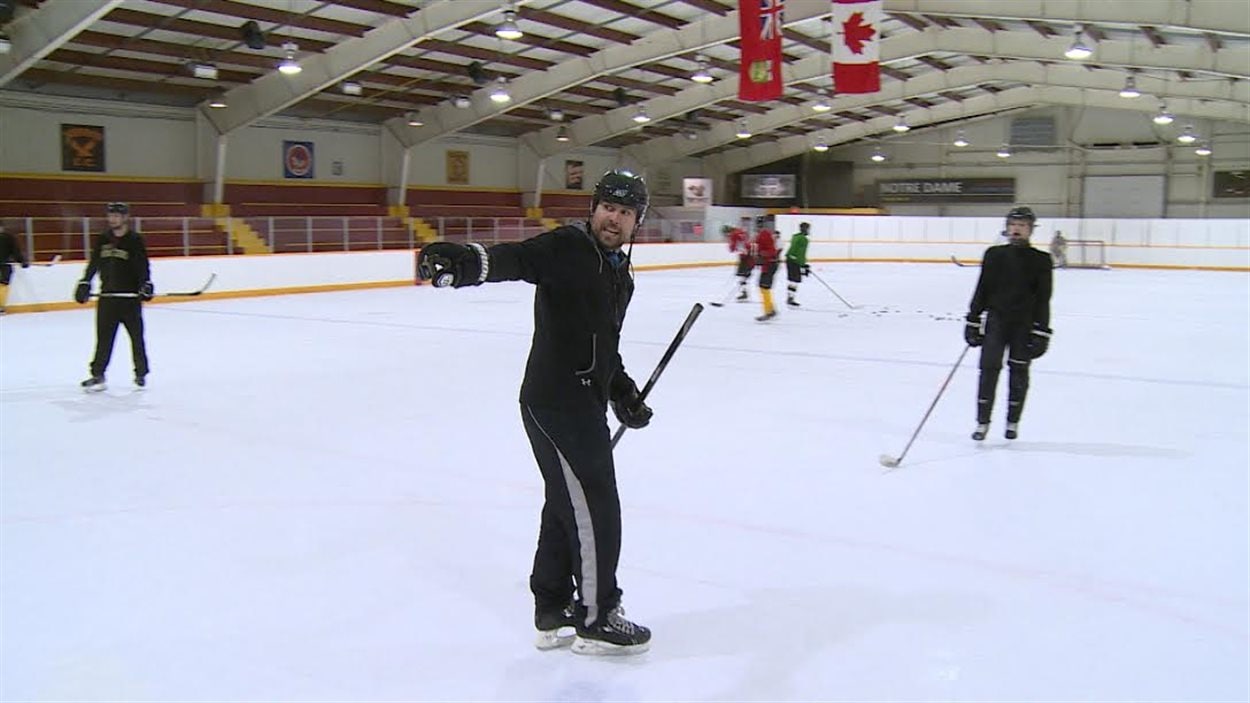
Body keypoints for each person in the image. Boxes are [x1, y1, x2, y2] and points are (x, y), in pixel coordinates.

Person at [415, 170, 654, 656]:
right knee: (596, 506)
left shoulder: (619, 276)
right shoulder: (568, 247)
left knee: (567, 503)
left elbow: (603, 348)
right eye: (609, 207)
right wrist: (463, 263)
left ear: (636, 223)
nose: (614, 218)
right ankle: (596, 613)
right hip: (554, 400)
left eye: (626, 213)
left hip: (584, 403)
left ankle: (553, 605)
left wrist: (622, 393)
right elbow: (514, 259)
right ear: (594, 207)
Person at [964, 206, 1053, 440]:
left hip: (1023, 326)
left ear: (1030, 230)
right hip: (996, 322)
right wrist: (972, 320)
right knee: (988, 370)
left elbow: (1044, 298)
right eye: (1013, 225)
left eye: (1022, 226)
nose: (1016, 230)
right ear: (1006, 227)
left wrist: (1042, 332)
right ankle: (982, 422)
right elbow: (982, 288)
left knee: (1019, 372)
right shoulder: (994, 254)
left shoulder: (1041, 260)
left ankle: (1012, 422)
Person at [74, 202, 154, 391]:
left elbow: (143, 265)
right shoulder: (103, 239)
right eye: (110, 216)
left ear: (125, 217)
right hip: (107, 298)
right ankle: (98, 374)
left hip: (129, 300)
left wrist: (146, 283)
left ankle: (140, 373)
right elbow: (94, 263)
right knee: (103, 338)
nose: (113, 219)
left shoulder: (134, 240)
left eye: (117, 216)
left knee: (136, 337)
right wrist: (85, 282)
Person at [753, 216, 781, 321]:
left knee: (764, 287)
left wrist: (761, 256)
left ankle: (769, 311)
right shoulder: (763, 234)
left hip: (770, 265)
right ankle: (770, 309)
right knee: (764, 287)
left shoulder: (763, 235)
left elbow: (771, 251)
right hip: (769, 264)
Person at [0, 222, 30, 314]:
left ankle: (1, 307)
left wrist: (21, 261)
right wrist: (22, 261)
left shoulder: (9, 238)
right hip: (5, 265)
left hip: (5, 265)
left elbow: (16, 251)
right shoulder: (9, 237)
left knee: (3, 285)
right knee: (3, 285)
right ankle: (1, 307)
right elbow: (16, 251)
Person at [783, 221, 811, 307]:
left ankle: (790, 297)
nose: (808, 230)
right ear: (804, 229)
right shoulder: (803, 239)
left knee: (792, 280)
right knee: (795, 280)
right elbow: (800, 252)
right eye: (807, 229)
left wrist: (803, 265)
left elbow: (797, 252)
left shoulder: (796, 237)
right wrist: (803, 264)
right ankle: (790, 298)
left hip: (790, 260)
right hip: (794, 261)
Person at [726, 223, 752, 302]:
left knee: (742, 275)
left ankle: (744, 292)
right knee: (744, 275)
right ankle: (744, 291)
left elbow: (732, 248)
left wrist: (731, 246)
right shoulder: (741, 232)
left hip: (744, 256)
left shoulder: (734, 235)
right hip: (749, 255)